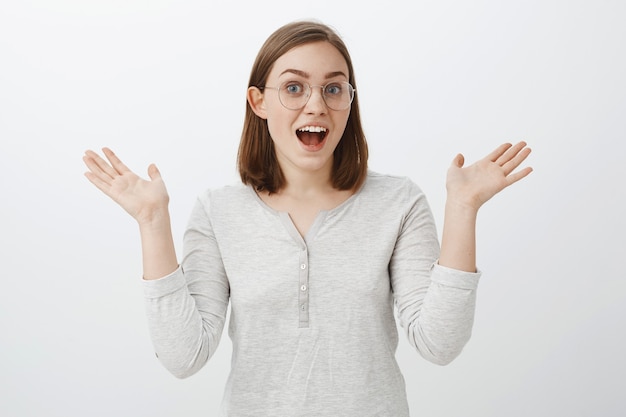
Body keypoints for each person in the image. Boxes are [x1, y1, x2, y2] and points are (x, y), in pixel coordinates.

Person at [83, 20, 532, 417]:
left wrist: (463, 208)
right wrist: (151, 220)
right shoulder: (219, 212)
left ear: (349, 102)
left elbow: (440, 343)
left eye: (333, 88)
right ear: (258, 101)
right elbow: (184, 356)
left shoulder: (399, 203)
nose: (316, 105)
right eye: (294, 87)